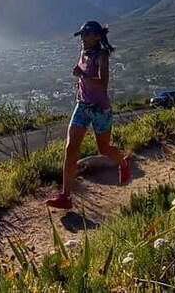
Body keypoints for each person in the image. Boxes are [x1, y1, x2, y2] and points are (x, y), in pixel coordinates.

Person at [45, 21, 131, 210]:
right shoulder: (84, 53)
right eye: (81, 35)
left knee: (104, 149)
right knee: (70, 148)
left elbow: (102, 84)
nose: (82, 39)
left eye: (86, 35)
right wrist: (81, 82)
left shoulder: (101, 56)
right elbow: (85, 78)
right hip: (82, 106)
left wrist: (82, 75)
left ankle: (123, 164)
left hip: (100, 108)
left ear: (97, 36)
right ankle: (66, 196)